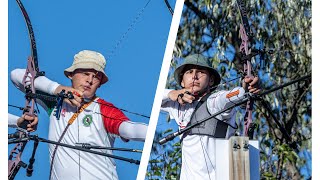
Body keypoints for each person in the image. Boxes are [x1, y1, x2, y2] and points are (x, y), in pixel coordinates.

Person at [11, 50, 148, 180]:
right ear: (71, 74)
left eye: (96, 77)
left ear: (99, 84)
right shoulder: (55, 103)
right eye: (85, 73)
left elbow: (130, 129)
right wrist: (57, 89)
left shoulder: (103, 109)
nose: (90, 80)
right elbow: (17, 75)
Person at [161, 54, 260, 180]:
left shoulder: (214, 101)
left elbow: (232, 95)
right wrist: (172, 93)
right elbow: (154, 96)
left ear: (211, 81)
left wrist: (246, 89)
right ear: (182, 81)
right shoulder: (177, 105)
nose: (194, 76)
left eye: (201, 72)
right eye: (189, 72)